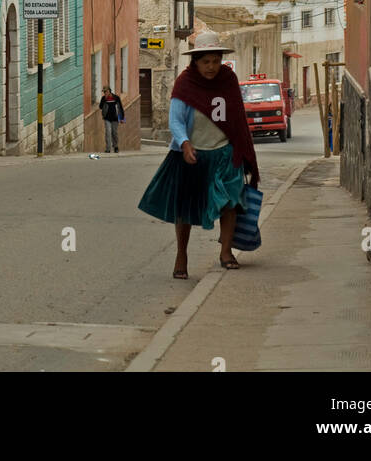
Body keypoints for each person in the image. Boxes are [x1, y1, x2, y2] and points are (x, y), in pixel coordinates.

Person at [137, 32, 260, 277]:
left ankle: (226, 252)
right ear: (195, 62)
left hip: (225, 153)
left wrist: (242, 151)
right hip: (192, 155)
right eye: (206, 62)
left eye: (215, 60)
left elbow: (237, 118)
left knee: (230, 203)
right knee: (185, 208)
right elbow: (175, 120)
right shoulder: (186, 83)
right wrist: (184, 144)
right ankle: (181, 255)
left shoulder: (228, 80)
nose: (211, 67)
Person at [99, 85, 125, 152]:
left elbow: (120, 108)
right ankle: (108, 149)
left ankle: (116, 147)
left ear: (109, 91)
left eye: (105, 91)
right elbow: (100, 107)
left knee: (114, 133)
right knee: (108, 132)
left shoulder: (116, 98)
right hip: (107, 118)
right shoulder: (103, 98)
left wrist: (122, 118)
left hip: (115, 118)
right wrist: (104, 99)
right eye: (104, 92)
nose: (105, 93)